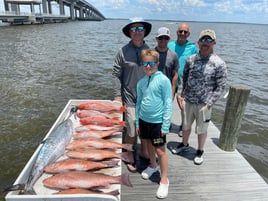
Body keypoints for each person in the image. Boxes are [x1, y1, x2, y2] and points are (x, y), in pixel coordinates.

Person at [171, 29, 227, 165]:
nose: (205, 43)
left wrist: (209, 103)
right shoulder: (191, 59)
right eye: (203, 40)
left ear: (214, 43)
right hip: (188, 101)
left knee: (202, 129)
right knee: (185, 126)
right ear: (198, 42)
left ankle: (200, 150)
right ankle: (184, 144)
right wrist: (180, 95)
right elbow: (184, 78)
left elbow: (220, 87)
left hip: (204, 104)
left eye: (209, 40)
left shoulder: (219, 63)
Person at [112, 17, 152, 172]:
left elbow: (153, 73)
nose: (137, 32)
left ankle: (142, 151)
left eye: (140, 28)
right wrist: (117, 95)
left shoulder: (149, 51)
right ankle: (128, 153)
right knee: (130, 127)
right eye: (133, 29)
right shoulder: (122, 52)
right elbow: (115, 74)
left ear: (145, 31)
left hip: (146, 97)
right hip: (129, 97)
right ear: (129, 33)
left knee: (144, 127)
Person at [136, 49, 172, 199]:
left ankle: (164, 179)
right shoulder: (141, 82)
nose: (148, 66)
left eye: (151, 63)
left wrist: (165, 125)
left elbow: (168, 103)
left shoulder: (163, 80)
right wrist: (137, 122)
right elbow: (138, 103)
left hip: (157, 124)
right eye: (145, 63)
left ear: (157, 63)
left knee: (160, 151)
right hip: (144, 121)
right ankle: (152, 165)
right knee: (149, 145)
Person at [168, 23, 198, 136]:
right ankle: (167, 122)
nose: (182, 34)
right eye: (180, 31)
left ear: (188, 34)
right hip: (170, 81)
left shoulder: (193, 48)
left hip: (185, 82)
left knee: (183, 106)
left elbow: (196, 64)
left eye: (185, 32)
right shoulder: (170, 45)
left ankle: (183, 126)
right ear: (177, 33)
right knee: (167, 102)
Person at [155, 27, 179, 99]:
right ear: (156, 39)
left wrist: (172, 93)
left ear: (169, 39)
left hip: (167, 91)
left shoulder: (173, 55)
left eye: (166, 38)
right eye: (161, 38)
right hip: (153, 91)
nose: (163, 40)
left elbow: (175, 75)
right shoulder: (151, 54)